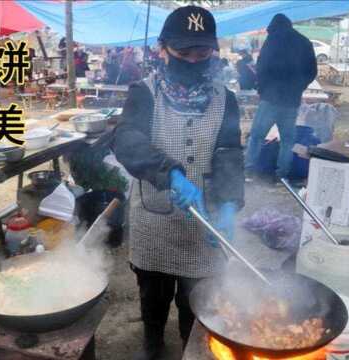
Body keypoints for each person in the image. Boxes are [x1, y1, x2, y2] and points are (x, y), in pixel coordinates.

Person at [112, 6, 244, 359]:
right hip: (153, 225)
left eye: (202, 53)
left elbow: (230, 152)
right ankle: (153, 345)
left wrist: (229, 205)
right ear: (162, 49)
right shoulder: (144, 92)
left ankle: (191, 349)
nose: (193, 60)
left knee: (197, 310)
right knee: (152, 303)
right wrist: (170, 173)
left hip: (205, 230)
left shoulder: (224, 99)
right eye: (183, 53)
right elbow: (126, 139)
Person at [245, 14, 317, 181]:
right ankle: (281, 175)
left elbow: (261, 66)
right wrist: (300, 87)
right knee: (287, 141)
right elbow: (312, 71)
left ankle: (249, 170)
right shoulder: (303, 42)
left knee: (256, 136)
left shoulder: (272, 40)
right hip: (291, 100)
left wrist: (262, 89)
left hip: (270, 99)